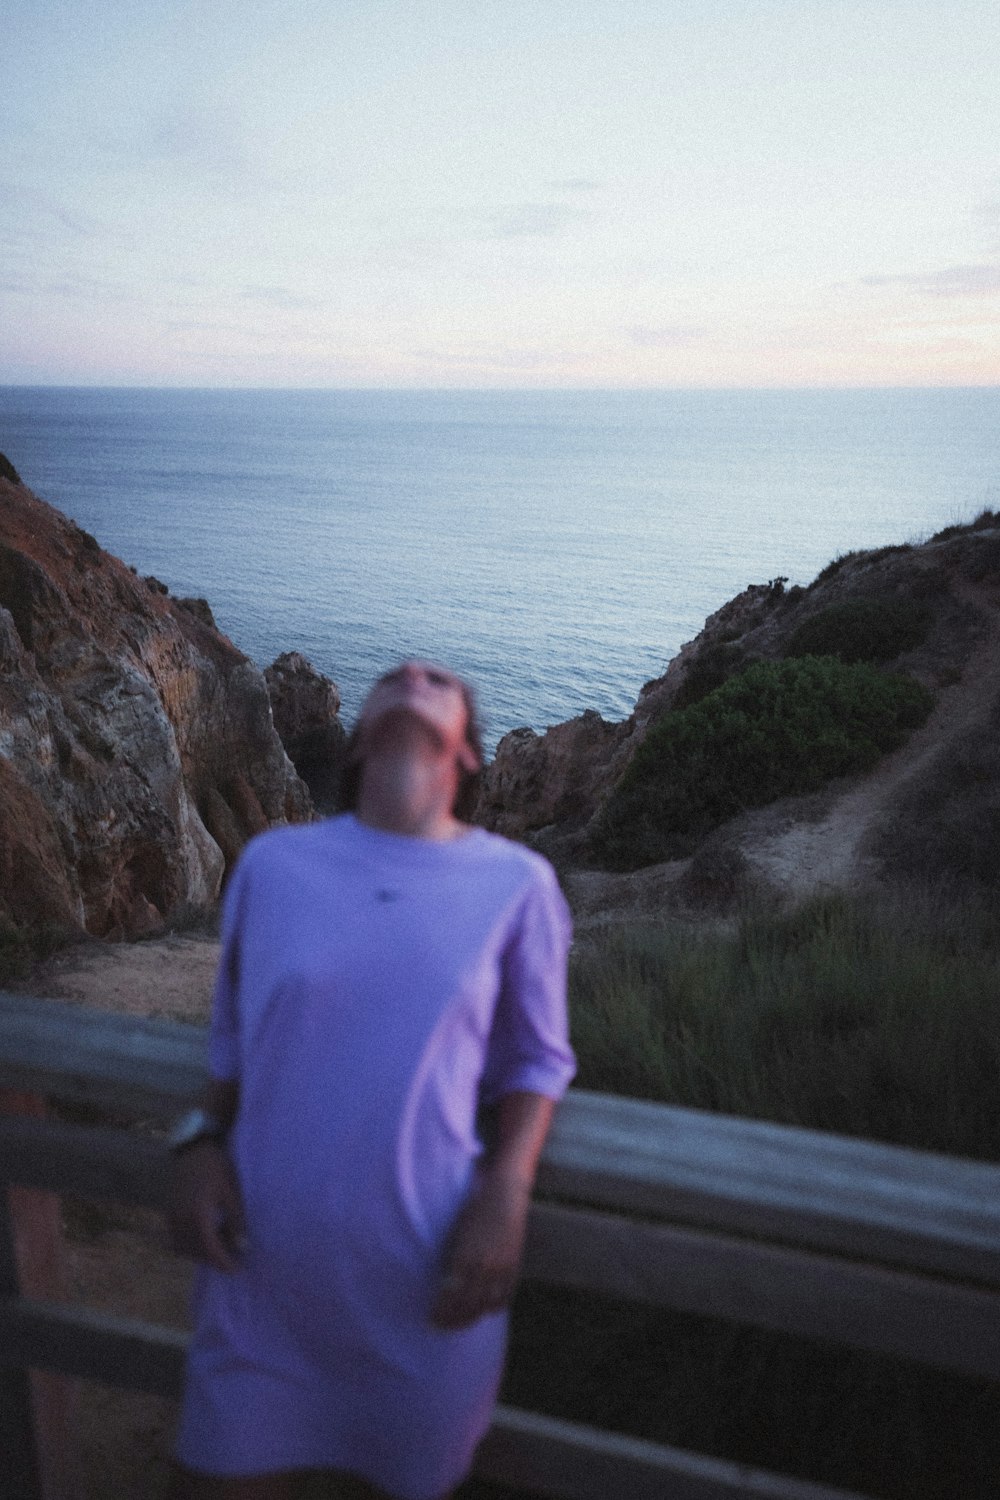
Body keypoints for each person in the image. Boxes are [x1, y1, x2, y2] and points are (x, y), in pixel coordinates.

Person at [167, 660, 575, 1500]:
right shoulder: (273, 867)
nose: (416, 673)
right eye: (396, 674)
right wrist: (198, 1139)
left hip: (425, 1293)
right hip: (259, 1284)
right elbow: (233, 1047)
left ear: (466, 756)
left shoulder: (517, 884)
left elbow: (539, 1059)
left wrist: (509, 1189)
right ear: (355, 740)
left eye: (439, 678)